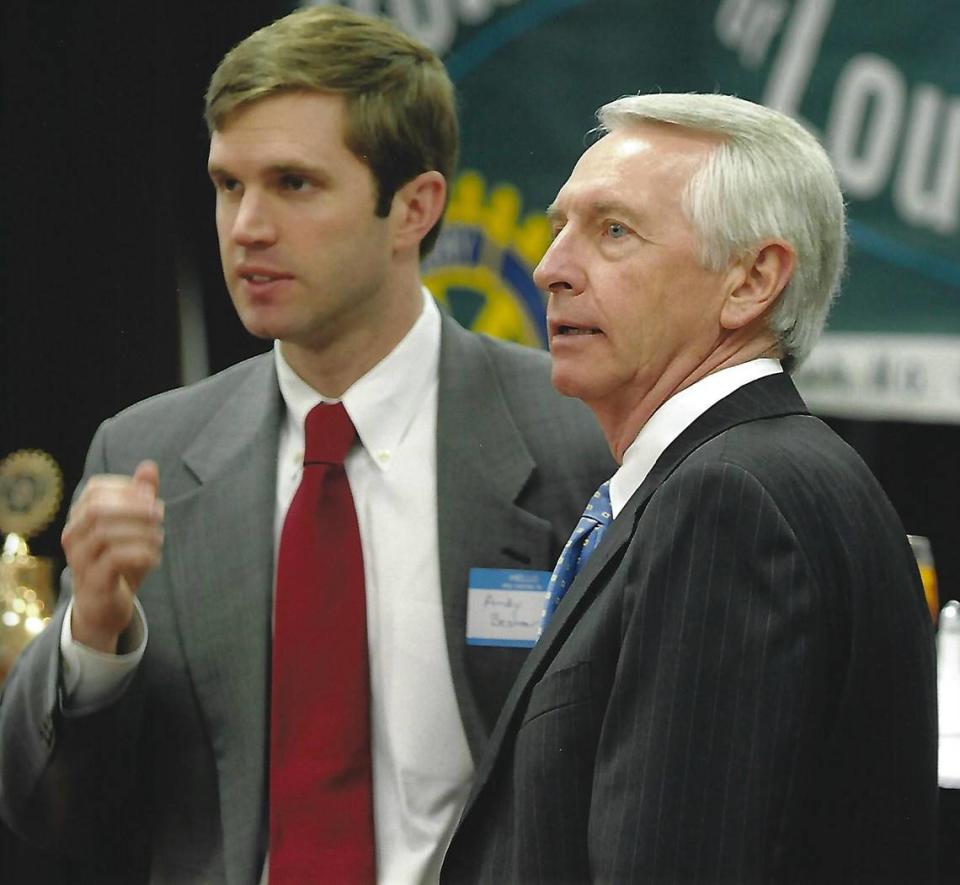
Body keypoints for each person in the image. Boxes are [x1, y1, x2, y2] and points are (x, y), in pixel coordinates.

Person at [0, 7, 613, 884]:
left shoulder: (575, 437)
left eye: (293, 184)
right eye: (226, 185)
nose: (246, 225)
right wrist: (94, 632)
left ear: (413, 208)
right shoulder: (147, 455)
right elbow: (49, 811)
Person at [440, 93, 938, 884]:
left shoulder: (731, 505)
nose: (550, 268)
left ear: (752, 280)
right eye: (559, 225)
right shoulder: (766, 473)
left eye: (612, 231)